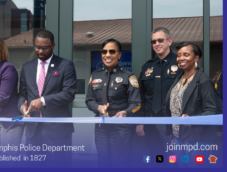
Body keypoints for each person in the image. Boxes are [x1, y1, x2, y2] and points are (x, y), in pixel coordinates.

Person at [17, 30, 77, 167]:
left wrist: (43, 101)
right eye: (37, 47)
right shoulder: (27, 67)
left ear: (53, 46)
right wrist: (22, 107)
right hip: (33, 129)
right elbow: (22, 94)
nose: (40, 51)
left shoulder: (66, 66)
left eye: (44, 48)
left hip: (57, 130)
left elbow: (69, 94)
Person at [85, 39, 141, 168]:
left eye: (112, 51)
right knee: (102, 162)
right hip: (101, 126)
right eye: (104, 52)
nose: (107, 55)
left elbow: (136, 103)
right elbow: (89, 100)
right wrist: (98, 108)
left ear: (119, 55)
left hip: (121, 127)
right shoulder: (95, 75)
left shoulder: (128, 76)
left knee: (120, 163)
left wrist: (124, 113)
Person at [165, 42, 217, 167]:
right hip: (178, 137)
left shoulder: (203, 81)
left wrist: (193, 120)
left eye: (186, 55)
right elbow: (173, 110)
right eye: (179, 55)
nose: (181, 58)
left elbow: (211, 110)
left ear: (196, 58)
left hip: (197, 138)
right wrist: (172, 137)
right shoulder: (178, 79)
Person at [136, 27, 183, 157]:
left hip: (170, 123)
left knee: (172, 161)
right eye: (154, 41)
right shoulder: (147, 66)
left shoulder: (180, 64)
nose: (157, 44)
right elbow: (141, 95)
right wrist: (140, 121)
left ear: (169, 41)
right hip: (150, 122)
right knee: (154, 158)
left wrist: (178, 130)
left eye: (160, 40)